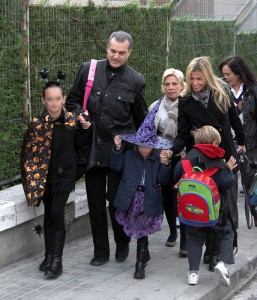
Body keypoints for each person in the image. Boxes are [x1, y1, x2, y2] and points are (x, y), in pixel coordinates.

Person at [66, 31, 148, 266]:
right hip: (91, 148)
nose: (116, 56)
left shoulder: (135, 80)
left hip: (118, 152)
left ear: (129, 53)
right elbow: (72, 100)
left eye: (122, 53)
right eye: (113, 51)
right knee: (94, 203)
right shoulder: (88, 70)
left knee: (116, 201)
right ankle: (100, 251)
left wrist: (139, 151)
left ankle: (122, 243)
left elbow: (141, 121)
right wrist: (81, 115)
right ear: (107, 48)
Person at [165, 56, 246, 270]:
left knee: (224, 208)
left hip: (225, 155)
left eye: (199, 79)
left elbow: (234, 120)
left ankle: (215, 252)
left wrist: (242, 143)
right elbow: (182, 134)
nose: (195, 83)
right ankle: (209, 252)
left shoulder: (221, 92)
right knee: (206, 204)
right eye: (192, 79)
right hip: (201, 159)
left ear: (207, 77)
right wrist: (172, 150)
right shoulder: (185, 100)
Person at [21, 80, 86, 278]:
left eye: (58, 99)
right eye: (50, 100)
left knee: (57, 212)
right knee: (49, 214)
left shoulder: (73, 122)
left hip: (65, 176)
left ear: (64, 99)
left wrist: (76, 171)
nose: (54, 103)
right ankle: (49, 256)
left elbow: (83, 147)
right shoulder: (37, 125)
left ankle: (57, 261)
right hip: (44, 178)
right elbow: (27, 153)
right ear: (43, 101)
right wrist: (32, 178)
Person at [110, 103, 172, 279]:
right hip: (131, 199)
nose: (145, 148)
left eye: (148, 145)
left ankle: (139, 265)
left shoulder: (156, 159)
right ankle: (144, 254)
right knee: (134, 229)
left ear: (153, 145)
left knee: (142, 233)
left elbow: (163, 180)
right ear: (136, 144)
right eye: (141, 145)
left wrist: (165, 164)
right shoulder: (130, 156)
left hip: (149, 198)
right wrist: (117, 149)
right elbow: (116, 166)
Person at [173, 125, 237, 286]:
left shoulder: (185, 160)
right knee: (227, 232)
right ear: (214, 142)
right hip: (215, 212)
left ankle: (193, 274)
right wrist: (228, 169)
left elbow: (175, 176)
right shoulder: (218, 162)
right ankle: (223, 264)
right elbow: (228, 183)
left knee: (194, 239)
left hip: (191, 211)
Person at [148, 68, 187, 256]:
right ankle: (172, 231)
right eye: (167, 84)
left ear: (181, 85)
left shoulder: (188, 105)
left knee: (186, 196)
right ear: (163, 86)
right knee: (168, 196)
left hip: (185, 156)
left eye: (174, 84)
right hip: (163, 157)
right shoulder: (155, 106)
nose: (171, 88)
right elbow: (148, 133)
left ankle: (186, 241)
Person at [219, 56, 257, 193]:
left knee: (251, 188)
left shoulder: (253, 90)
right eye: (223, 74)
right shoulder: (221, 92)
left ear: (238, 73)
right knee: (228, 187)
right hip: (229, 145)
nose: (225, 77)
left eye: (228, 74)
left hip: (251, 146)